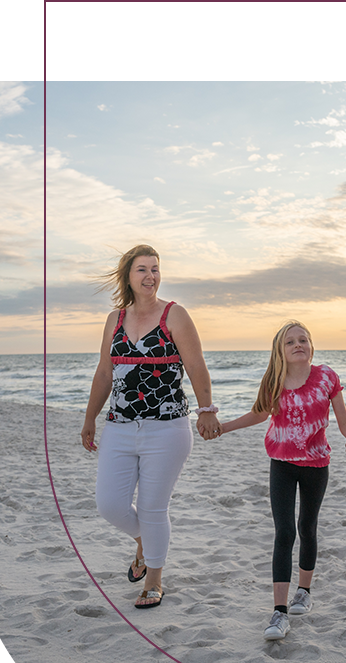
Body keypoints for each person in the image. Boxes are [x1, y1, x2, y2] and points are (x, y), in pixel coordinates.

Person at [81, 245, 221, 609]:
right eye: (142, 269)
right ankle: (146, 541)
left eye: (155, 269)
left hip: (167, 428)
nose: (150, 276)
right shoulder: (114, 320)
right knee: (110, 504)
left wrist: (206, 409)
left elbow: (196, 365)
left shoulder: (175, 315)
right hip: (120, 426)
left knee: (153, 508)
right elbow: (104, 372)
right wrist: (89, 418)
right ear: (128, 275)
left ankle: (154, 580)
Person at [215, 322, 346, 641]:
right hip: (282, 463)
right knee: (284, 532)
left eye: (303, 339)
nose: (297, 344)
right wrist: (223, 427)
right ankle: (279, 612)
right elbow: (258, 415)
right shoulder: (274, 381)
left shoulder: (326, 377)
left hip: (317, 464)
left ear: (311, 347)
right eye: (290, 341)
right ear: (281, 351)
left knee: (307, 526)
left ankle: (304, 591)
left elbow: (344, 422)